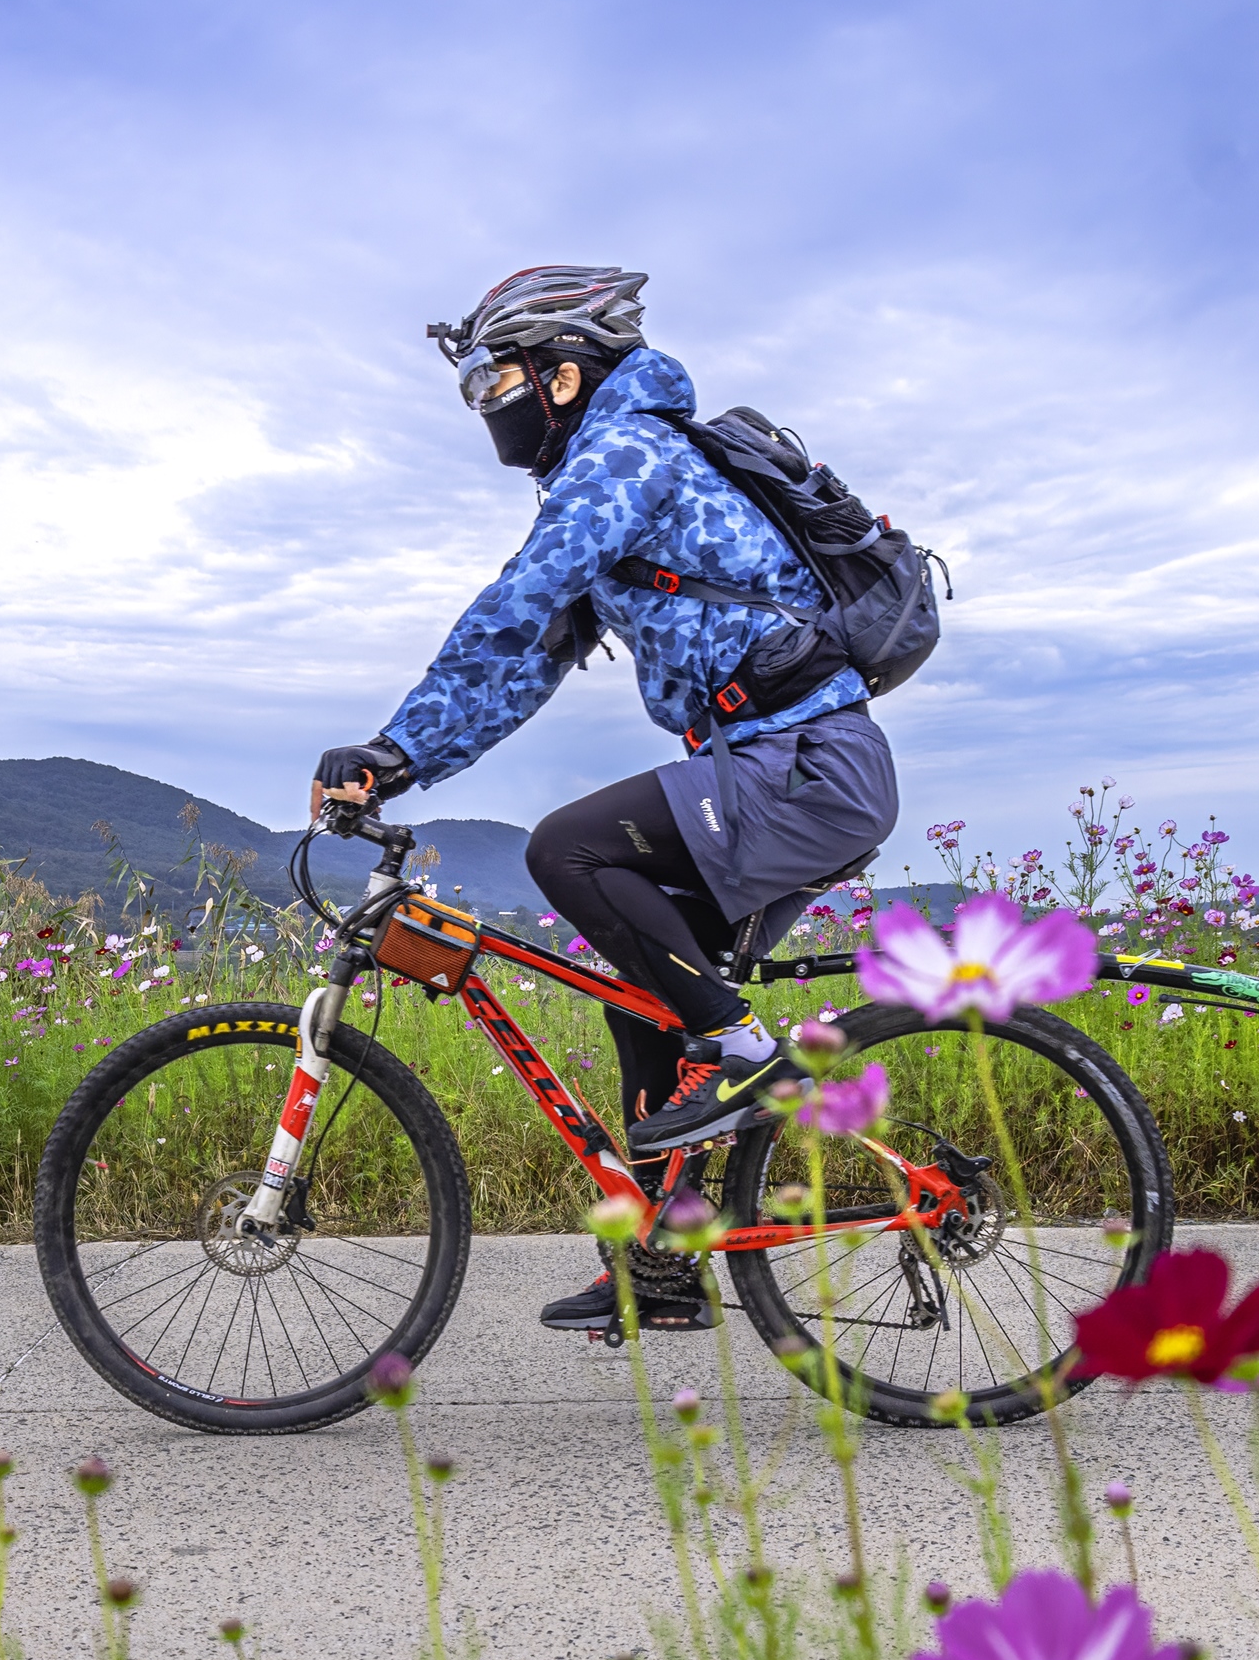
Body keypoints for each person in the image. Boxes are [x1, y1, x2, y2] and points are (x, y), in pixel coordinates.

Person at [310, 265, 902, 1333]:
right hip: (780, 773)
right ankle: (663, 1269)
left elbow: (516, 600)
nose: (488, 405)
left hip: (802, 768)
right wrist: (400, 756)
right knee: (646, 998)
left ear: (564, 376)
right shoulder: (609, 468)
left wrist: (393, 750)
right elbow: (521, 661)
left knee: (569, 852)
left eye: (494, 382)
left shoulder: (625, 455)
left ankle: (744, 1054)